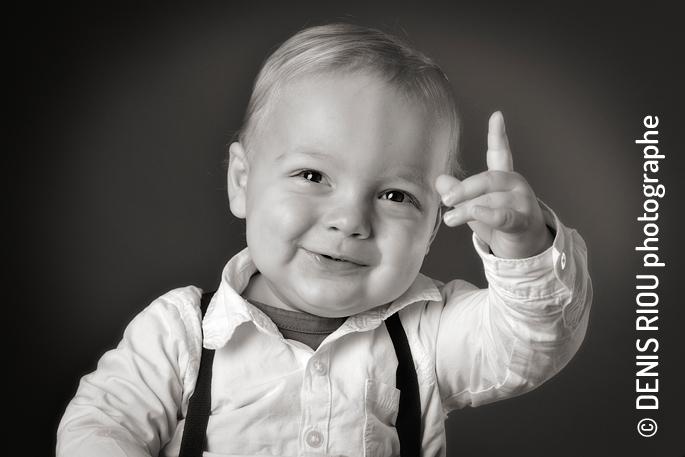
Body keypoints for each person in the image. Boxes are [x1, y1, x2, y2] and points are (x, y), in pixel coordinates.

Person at [56, 23, 592, 457]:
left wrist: (524, 243)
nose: (349, 220)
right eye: (313, 176)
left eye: (396, 196)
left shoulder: (428, 333)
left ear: (432, 227)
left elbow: (530, 344)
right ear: (242, 181)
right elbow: (102, 425)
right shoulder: (178, 334)